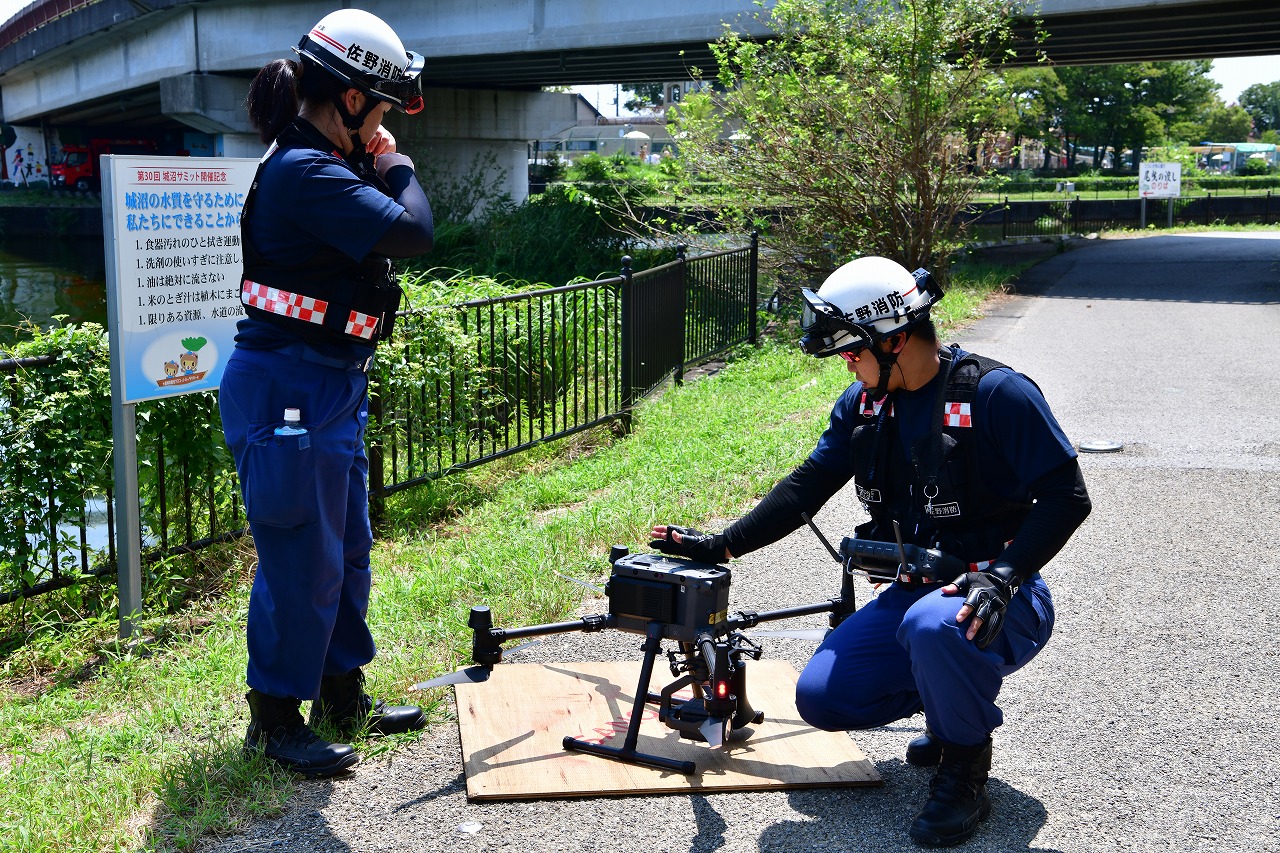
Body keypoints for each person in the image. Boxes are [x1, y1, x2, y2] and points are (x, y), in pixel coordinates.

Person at [651, 256, 1090, 846]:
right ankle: (947, 705)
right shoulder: (864, 405)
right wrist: (723, 544)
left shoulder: (995, 394)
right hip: (915, 593)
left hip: (999, 595)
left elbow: (1066, 497)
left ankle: (964, 769)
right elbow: (807, 486)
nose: (845, 363)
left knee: (936, 629)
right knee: (825, 697)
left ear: (896, 338)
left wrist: (1005, 576)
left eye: (852, 350)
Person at [219, 7, 434, 779]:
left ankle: (342, 692)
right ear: (350, 100)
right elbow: (413, 231)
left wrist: (372, 160)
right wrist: (396, 165)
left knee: (344, 547)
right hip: (289, 387)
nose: (382, 124)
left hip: (328, 383)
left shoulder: (324, 162)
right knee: (299, 552)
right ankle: (276, 718)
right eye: (380, 107)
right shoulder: (306, 171)